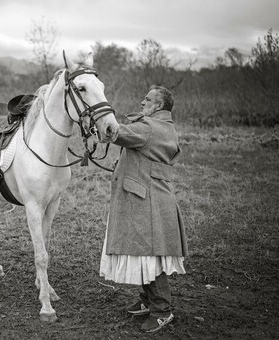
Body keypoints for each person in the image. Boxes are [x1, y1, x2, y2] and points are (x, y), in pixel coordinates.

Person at [99, 85, 188, 333]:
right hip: (149, 199)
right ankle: (148, 301)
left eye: (147, 100)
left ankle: (162, 311)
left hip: (146, 202)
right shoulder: (163, 127)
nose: (141, 102)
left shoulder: (149, 128)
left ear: (158, 106)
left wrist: (95, 119)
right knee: (144, 253)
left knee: (149, 255)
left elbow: (114, 131)